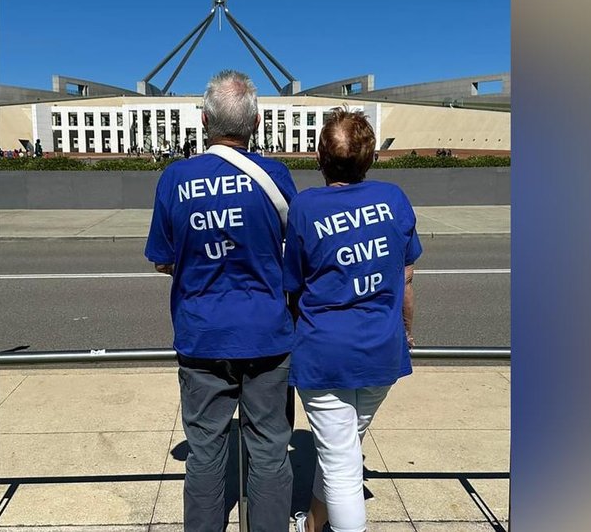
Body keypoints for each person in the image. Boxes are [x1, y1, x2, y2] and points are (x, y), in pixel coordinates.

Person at [145, 70, 297, 532]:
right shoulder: (275, 176)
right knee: (270, 448)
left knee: (206, 451)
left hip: (202, 333)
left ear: (205, 119)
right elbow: (294, 249)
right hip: (268, 333)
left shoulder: (176, 178)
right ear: (256, 122)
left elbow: (163, 259)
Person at [283, 108, 422, 532]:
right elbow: (407, 280)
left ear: (319, 157)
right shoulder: (394, 198)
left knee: (341, 462)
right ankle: (312, 521)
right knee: (342, 450)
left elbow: (294, 286)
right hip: (382, 350)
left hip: (324, 355)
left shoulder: (305, 207)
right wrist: (408, 334)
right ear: (370, 157)